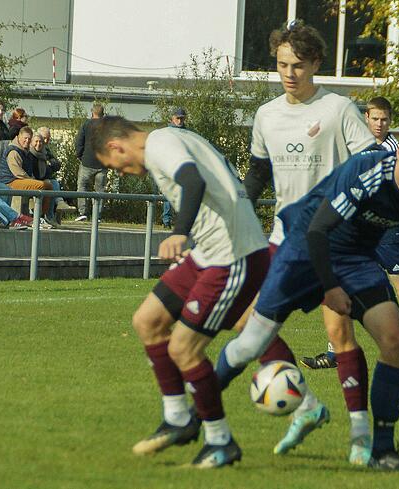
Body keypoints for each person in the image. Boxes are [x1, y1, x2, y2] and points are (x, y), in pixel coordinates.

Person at [218, 114, 399, 470]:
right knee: (252, 339)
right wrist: (330, 288)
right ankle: (199, 413)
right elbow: (319, 230)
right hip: (305, 247)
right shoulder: (367, 171)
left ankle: (381, 451)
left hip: (355, 259)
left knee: (396, 340)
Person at [219, 19, 375, 459]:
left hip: (334, 241)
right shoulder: (266, 115)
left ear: (317, 64)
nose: (289, 73)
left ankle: (360, 434)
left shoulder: (339, 109)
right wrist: (238, 209)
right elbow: (258, 173)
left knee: (339, 333)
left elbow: (371, 166)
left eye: (299, 65)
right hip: (283, 239)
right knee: (245, 321)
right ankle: (306, 405)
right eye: (282, 64)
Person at [90, 115, 275, 468]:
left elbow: (192, 181)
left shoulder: (160, 144)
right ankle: (176, 418)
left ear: (116, 146)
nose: (121, 171)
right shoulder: (172, 137)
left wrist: (179, 232)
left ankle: (220, 441)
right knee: (148, 320)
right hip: (209, 252)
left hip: (232, 256)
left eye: (112, 164)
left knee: (183, 348)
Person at [302, 96, 399, 374]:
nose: (379, 123)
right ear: (367, 119)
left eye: (384, 119)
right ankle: (335, 350)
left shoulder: (398, 149)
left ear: (390, 121)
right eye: (375, 118)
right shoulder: (357, 143)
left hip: (389, 231)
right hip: (358, 226)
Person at [0, 126, 53, 229]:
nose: (27, 141)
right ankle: (40, 217)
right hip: (11, 181)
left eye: (29, 139)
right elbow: (18, 173)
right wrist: (33, 181)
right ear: (18, 137)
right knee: (47, 186)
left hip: (20, 179)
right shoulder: (13, 151)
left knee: (48, 185)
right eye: (25, 138)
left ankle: (38, 216)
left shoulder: (25, 151)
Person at [74, 103, 108, 222]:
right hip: (102, 163)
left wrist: (79, 155)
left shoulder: (86, 125)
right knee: (100, 189)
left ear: (92, 112)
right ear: (103, 114)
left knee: (82, 186)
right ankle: (97, 216)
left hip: (87, 161)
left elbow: (79, 142)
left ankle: (83, 212)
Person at [38, 127, 77, 220]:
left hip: (46, 178)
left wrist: (50, 165)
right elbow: (41, 169)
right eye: (44, 138)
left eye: (48, 138)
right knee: (51, 184)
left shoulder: (46, 149)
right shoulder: (36, 149)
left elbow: (57, 164)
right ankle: (55, 209)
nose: (46, 140)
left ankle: (53, 213)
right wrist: (50, 166)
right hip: (37, 178)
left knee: (54, 183)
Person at [162, 108, 187, 228]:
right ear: (172, 118)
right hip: (169, 166)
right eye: (178, 118)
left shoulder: (187, 133)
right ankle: (166, 220)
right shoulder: (168, 132)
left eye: (182, 118)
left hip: (182, 167)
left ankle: (181, 221)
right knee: (168, 194)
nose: (180, 120)